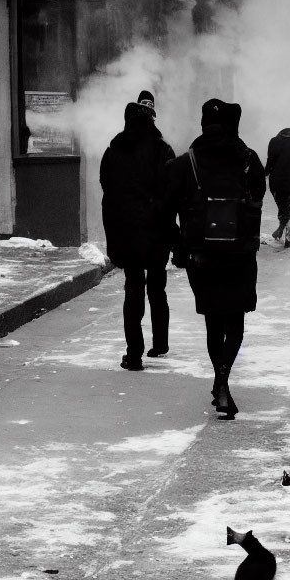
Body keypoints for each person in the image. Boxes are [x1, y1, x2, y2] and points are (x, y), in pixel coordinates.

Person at [165, 99, 266, 419]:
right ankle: (222, 380)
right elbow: (259, 197)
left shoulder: (186, 163)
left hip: (201, 255)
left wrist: (178, 245)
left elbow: (164, 208)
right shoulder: (249, 160)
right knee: (235, 321)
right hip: (239, 254)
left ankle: (220, 381)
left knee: (213, 320)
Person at [100, 93, 176, 371]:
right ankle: (160, 343)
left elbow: (106, 188)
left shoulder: (113, 151)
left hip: (127, 232)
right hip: (156, 231)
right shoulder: (162, 150)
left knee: (133, 288)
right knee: (157, 286)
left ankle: (134, 355)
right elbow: (172, 191)